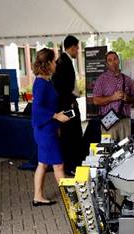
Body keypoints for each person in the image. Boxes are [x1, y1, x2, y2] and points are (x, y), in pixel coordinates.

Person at [31, 48, 70, 206]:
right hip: (45, 131)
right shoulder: (41, 83)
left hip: (45, 129)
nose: (56, 64)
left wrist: (56, 119)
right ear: (48, 63)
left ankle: (37, 196)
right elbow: (37, 108)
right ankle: (71, 199)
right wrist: (55, 116)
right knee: (59, 165)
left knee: (42, 163)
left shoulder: (44, 81)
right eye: (54, 61)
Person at [52, 35, 84, 175]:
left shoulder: (64, 60)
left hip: (67, 103)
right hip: (67, 104)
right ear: (71, 48)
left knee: (72, 134)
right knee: (71, 134)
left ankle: (71, 164)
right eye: (77, 48)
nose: (78, 51)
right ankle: (71, 165)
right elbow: (62, 87)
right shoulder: (65, 62)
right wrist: (70, 101)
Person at [93, 51, 134, 141]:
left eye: (115, 59)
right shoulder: (101, 80)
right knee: (108, 150)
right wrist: (112, 98)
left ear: (118, 60)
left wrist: (126, 98)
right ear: (106, 64)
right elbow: (96, 101)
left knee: (126, 150)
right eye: (110, 60)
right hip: (109, 122)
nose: (113, 62)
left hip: (124, 121)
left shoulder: (127, 79)